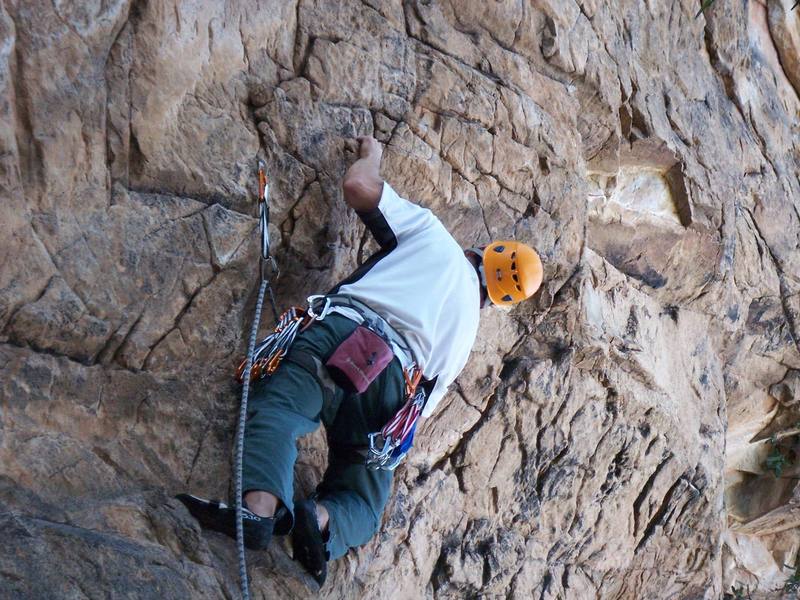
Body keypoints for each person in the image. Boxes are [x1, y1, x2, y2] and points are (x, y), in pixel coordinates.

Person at [177, 135, 543, 585]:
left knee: (280, 409)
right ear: (496, 300)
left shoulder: (434, 236)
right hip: (392, 393)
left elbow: (358, 187)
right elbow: (418, 411)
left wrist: (373, 155)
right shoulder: (466, 331)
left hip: (342, 335)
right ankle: (325, 520)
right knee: (366, 498)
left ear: (486, 250)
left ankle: (258, 512)